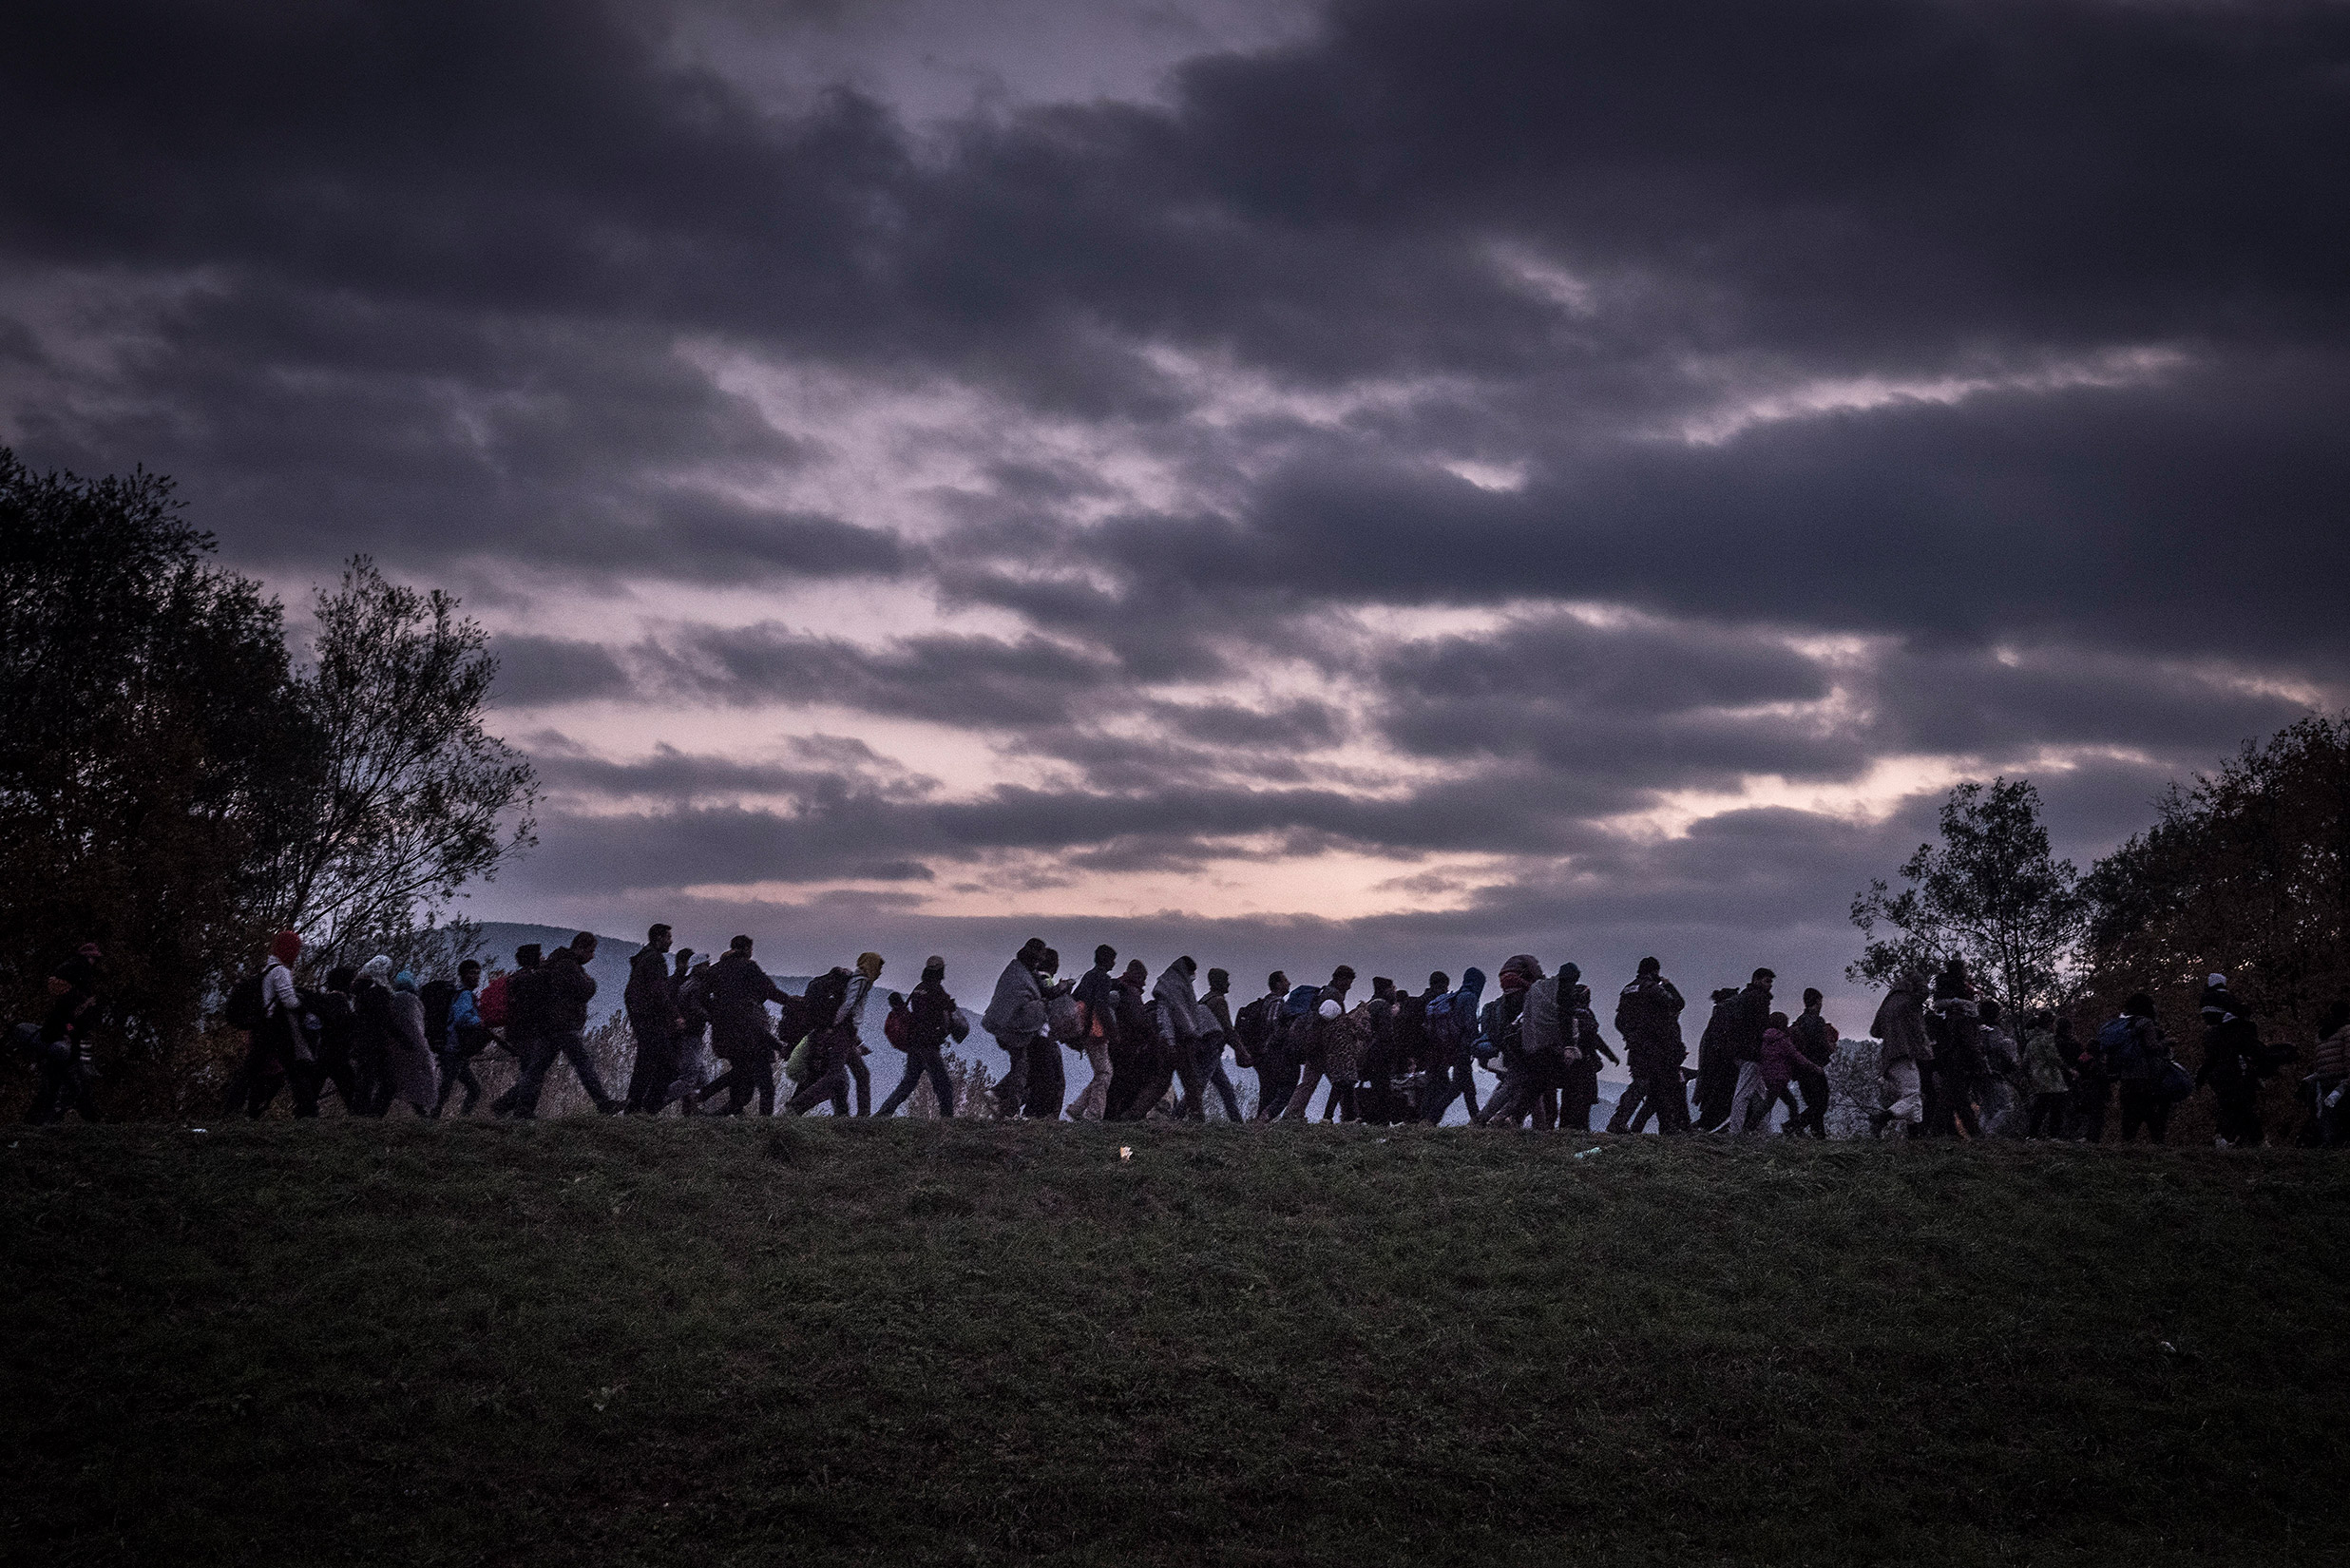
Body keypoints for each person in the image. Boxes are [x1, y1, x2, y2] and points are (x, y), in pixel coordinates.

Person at [499, 933, 618, 1118]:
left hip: (548, 1026)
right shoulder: (567, 965)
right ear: (580, 948)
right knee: (583, 1063)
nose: (592, 956)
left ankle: (517, 1109)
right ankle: (603, 1103)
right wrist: (591, 982)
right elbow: (584, 990)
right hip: (563, 1024)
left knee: (536, 1069)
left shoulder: (556, 963)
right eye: (591, 951)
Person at [697, 936, 795, 1116]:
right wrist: (790, 1002)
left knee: (740, 1076)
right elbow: (770, 991)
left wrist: (717, 1014)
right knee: (766, 1086)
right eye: (751, 949)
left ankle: (713, 1110)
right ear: (747, 950)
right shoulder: (749, 968)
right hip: (751, 1037)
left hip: (725, 1036)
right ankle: (765, 1127)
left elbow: (701, 998)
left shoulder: (715, 970)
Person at [24, 944, 104, 1124]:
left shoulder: (70, 993)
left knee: (58, 1087)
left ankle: (39, 1122)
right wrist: (69, 1032)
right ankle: (46, 1122)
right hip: (65, 1049)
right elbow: (68, 1022)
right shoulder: (76, 995)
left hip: (63, 1047)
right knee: (70, 1087)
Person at [239, 931, 315, 1118]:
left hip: (262, 1026)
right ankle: (308, 1110)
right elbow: (288, 1000)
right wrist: (305, 1006)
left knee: (253, 1069)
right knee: (292, 1069)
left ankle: (244, 1109)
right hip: (275, 1027)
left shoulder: (267, 969)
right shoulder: (280, 971)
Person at [1609, 959, 1689, 1135]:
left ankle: (1622, 1121)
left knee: (1647, 1085)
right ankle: (1665, 1127)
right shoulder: (1652, 988)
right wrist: (1669, 985)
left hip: (1637, 1046)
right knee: (1657, 1085)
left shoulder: (1628, 990)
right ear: (1655, 971)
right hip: (1656, 1046)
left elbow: (1619, 1020)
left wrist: (1631, 1037)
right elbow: (1678, 1004)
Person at [877, 956, 959, 1117]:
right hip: (927, 1045)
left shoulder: (919, 988)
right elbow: (942, 1013)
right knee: (943, 1085)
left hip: (915, 1043)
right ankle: (948, 1120)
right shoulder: (936, 991)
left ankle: (883, 1114)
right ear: (941, 971)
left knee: (908, 1083)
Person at [984, 939, 1052, 1119]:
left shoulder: (1023, 973)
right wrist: (1043, 1005)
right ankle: (1007, 1105)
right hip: (1016, 1029)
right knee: (1022, 1069)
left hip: (1010, 1027)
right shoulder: (1031, 976)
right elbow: (1021, 1003)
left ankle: (1004, 1106)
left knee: (1022, 1068)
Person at [2196, 975, 2265, 1147]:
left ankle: (2241, 1138)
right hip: (2235, 1072)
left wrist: (2201, 1076)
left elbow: (2210, 1059)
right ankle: (2250, 1139)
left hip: (2220, 1074)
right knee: (2241, 1105)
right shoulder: (2236, 1028)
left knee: (2231, 1106)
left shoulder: (2210, 1028)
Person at [1281, 966, 1358, 1121]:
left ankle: (1292, 1114)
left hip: (1316, 1046)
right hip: (1326, 1048)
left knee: (1310, 1083)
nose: (1349, 986)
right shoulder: (1333, 996)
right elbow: (1336, 1023)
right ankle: (1349, 1116)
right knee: (1342, 1081)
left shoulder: (1325, 993)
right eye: (1348, 982)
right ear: (1340, 979)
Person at [622, 924, 685, 1115]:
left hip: (644, 1021)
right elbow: (660, 993)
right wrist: (675, 1015)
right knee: (670, 1067)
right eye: (668, 937)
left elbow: (630, 993)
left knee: (645, 1066)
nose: (671, 941)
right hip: (652, 1022)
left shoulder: (643, 959)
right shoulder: (655, 961)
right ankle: (648, 1107)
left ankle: (634, 1108)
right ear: (659, 938)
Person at [1868, 966, 1931, 1138]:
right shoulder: (1910, 1001)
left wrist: (1892, 1030)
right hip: (1905, 1052)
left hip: (1889, 1057)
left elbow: (1874, 1031)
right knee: (1913, 1095)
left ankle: (1915, 1137)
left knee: (1912, 1097)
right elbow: (1924, 993)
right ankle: (1882, 1118)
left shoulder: (1888, 1003)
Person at [487, 946, 547, 1117]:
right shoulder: (528, 979)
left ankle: (516, 1108)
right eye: (540, 955)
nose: (542, 958)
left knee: (530, 1072)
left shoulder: (516, 978)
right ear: (532, 958)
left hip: (517, 1033)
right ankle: (513, 1108)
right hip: (526, 1033)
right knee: (533, 1073)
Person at [1419, 967, 1485, 1124]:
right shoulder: (1469, 997)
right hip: (1463, 1048)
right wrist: (1478, 1041)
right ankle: (1430, 1119)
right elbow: (1469, 1025)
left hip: (1452, 1047)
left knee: (1466, 1087)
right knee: (1456, 1088)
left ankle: (1477, 1120)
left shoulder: (1457, 996)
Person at [2108, 992, 2173, 1143]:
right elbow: (2152, 1046)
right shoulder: (2146, 1023)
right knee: (2155, 1122)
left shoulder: (2125, 1024)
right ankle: (2160, 1156)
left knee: (2129, 1124)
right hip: (2145, 1079)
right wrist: (2167, 1042)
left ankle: (2125, 1155)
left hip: (2126, 1079)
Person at [1066, 945, 1122, 1121]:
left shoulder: (1089, 977)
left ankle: (1077, 1109)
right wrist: (1113, 1031)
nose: (1114, 963)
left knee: (1102, 1072)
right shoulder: (1103, 979)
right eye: (1112, 959)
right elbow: (1101, 1006)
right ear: (1105, 959)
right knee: (1105, 1073)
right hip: (1096, 1032)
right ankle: (1093, 1114)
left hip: (1084, 1031)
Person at [1717, 969, 1777, 1135]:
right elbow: (1759, 1028)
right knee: (1744, 1094)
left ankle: (1764, 1130)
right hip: (1752, 1054)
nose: (1770, 985)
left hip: (1742, 1052)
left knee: (1760, 1094)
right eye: (1767, 981)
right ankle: (1736, 1131)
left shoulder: (1745, 997)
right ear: (1757, 980)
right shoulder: (1759, 999)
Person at [435, 959, 493, 1116]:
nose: (475, 977)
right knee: (450, 1086)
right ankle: (434, 1118)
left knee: (469, 1088)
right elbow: (461, 1018)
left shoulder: (461, 994)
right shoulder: (465, 995)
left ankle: (453, 1118)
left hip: (456, 1051)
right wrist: (480, 1022)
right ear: (462, 975)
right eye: (472, 973)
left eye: (477, 973)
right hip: (453, 1049)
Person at [1102, 960, 1156, 1120]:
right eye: (1143, 977)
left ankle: (1109, 1116)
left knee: (1114, 1081)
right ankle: (1115, 1117)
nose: (1145, 982)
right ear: (1136, 975)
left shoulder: (1118, 988)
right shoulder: (1131, 992)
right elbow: (1138, 1020)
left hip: (1115, 1043)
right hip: (1127, 1046)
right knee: (1122, 1082)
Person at [1239, 970, 1295, 1122]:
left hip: (1260, 1054)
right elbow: (1273, 1023)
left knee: (1267, 1090)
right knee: (1285, 1086)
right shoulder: (1277, 1002)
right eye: (1285, 980)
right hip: (1270, 1053)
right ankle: (1265, 1117)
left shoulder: (1265, 1001)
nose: (1289, 983)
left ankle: (1259, 1122)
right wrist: (1282, 1038)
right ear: (1277, 984)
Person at [1022, 948, 1071, 1120]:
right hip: (1041, 1035)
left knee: (1036, 1076)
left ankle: (1030, 1113)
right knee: (1048, 1078)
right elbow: (1053, 1000)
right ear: (1053, 965)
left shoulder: (1033, 978)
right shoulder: (1045, 979)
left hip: (1032, 1034)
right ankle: (1036, 1114)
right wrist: (1064, 989)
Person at [1786, 987, 1838, 1138]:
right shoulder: (1816, 1021)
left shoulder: (1800, 1021)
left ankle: (1819, 1136)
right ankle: (1793, 1126)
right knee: (1821, 1104)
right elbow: (1820, 1044)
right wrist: (1830, 1047)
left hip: (1801, 1068)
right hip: (1814, 1067)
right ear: (1817, 1002)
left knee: (1814, 1103)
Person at [1194, 967, 1245, 1121]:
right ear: (1219, 982)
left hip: (1206, 1050)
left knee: (1225, 1089)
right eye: (1226, 980)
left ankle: (1237, 1122)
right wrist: (1241, 1051)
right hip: (1211, 1051)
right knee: (1199, 1087)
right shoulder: (1218, 1001)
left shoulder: (1205, 999)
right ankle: (1178, 1115)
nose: (1228, 984)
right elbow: (1228, 1030)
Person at [1691, 986, 1744, 1133]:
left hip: (1716, 1065)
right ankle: (1706, 1127)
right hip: (1723, 1065)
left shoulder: (1718, 1016)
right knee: (1722, 1099)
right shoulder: (1726, 1014)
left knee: (1718, 1099)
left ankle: (1705, 1126)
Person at [1759, 1011, 1819, 1137]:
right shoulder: (1782, 1040)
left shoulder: (1765, 1039)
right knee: (1771, 1104)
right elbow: (1796, 1056)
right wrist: (1813, 1067)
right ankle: (1749, 1127)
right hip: (1779, 1078)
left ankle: (1795, 1130)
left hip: (1769, 1077)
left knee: (1789, 1103)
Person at [2019, 1009, 2073, 1138]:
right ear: (2049, 1023)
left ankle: (2032, 1134)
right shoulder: (2048, 1038)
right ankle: (2053, 1135)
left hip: (2037, 1077)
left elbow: (2025, 1061)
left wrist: (2028, 1077)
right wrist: (2069, 1070)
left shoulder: (2032, 1040)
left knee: (2040, 1108)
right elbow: (2053, 1057)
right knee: (2057, 1108)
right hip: (2052, 1077)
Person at [2309, 1001, 2349, 1148]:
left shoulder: (2322, 1034)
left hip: (2325, 1079)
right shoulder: (2346, 1031)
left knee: (2329, 1114)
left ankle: (2328, 1144)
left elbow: (2318, 1060)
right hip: (2341, 1079)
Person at [2065, 1015, 2109, 1142]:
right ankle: (2091, 1139)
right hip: (2094, 1093)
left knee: (2082, 1116)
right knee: (2096, 1118)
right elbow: (2102, 1078)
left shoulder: (2081, 1059)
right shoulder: (2096, 1062)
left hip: (2081, 1091)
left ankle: (2081, 1137)